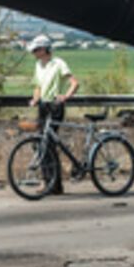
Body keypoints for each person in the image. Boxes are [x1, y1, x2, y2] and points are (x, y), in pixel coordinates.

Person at [27, 35, 79, 195]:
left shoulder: (58, 63)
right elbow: (37, 85)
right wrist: (35, 99)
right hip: (43, 105)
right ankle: (50, 182)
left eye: (36, 49)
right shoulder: (38, 65)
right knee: (40, 143)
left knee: (48, 143)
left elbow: (74, 82)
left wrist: (65, 96)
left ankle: (53, 184)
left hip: (55, 106)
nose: (34, 52)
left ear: (44, 49)